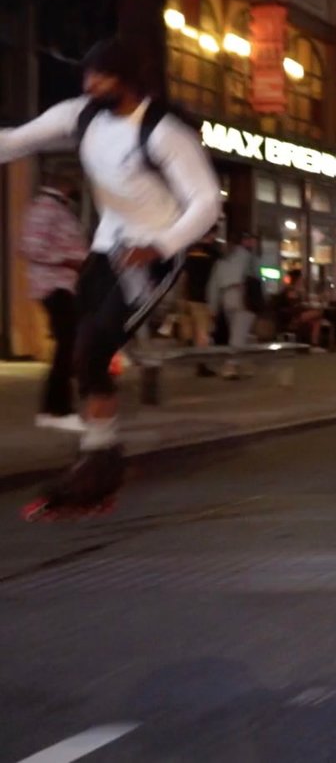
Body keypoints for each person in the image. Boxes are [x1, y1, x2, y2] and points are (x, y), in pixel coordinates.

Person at [0, 38, 221, 517]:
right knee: (81, 351)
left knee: (96, 344)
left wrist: (161, 245)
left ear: (127, 79)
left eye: (100, 77)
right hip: (107, 250)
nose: (89, 85)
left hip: (153, 255)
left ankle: (99, 460)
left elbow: (207, 202)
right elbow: (16, 141)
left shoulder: (163, 133)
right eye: (86, 76)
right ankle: (102, 457)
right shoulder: (80, 116)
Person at [21, 171, 89, 431]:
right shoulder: (45, 209)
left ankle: (56, 407)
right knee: (66, 345)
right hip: (53, 286)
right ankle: (57, 409)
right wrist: (68, 259)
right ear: (65, 184)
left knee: (68, 345)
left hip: (64, 285)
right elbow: (30, 247)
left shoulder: (58, 209)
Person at [207, 231, 261, 378]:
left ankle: (241, 363)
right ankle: (230, 366)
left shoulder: (221, 261)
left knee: (237, 331)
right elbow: (257, 278)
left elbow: (213, 285)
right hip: (243, 296)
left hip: (226, 297)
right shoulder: (249, 257)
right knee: (239, 333)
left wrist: (213, 307)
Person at [180, 224, 222, 373]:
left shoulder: (190, 250)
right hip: (203, 298)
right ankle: (202, 364)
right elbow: (217, 277)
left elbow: (183, 275)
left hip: (189, 296)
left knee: (193, 330)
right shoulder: (214, 254)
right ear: (212, 234)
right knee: (203, 333)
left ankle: (195, 357)